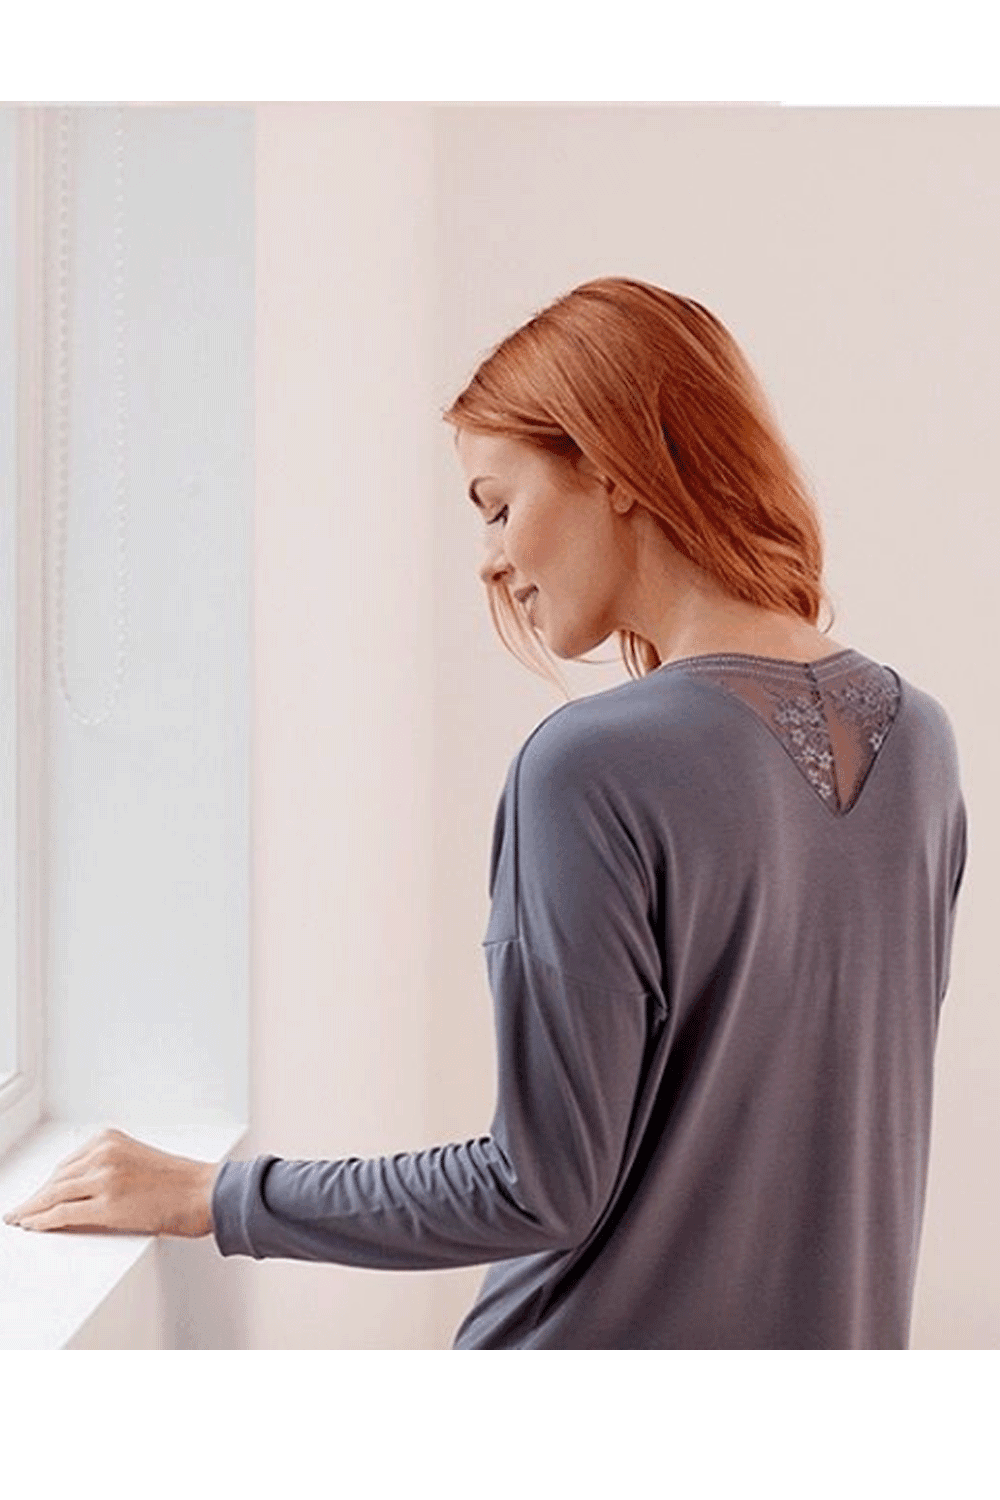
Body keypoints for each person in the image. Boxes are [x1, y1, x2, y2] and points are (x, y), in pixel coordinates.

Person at [2, 277, 968, 1349]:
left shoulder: (590, 766)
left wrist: (216, 1198)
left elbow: (535, 1187)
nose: (489, 559)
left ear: (611, 466)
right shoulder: (917, 739)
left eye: (499, 503)